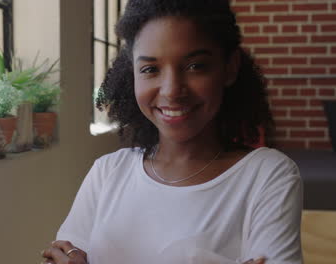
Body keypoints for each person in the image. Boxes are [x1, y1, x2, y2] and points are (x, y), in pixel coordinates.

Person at [42, 0, 302, 263]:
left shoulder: (266, 175)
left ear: (229, 68)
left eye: (195, 66)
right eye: (150, 69)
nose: (171, 90)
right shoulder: (108, 172)